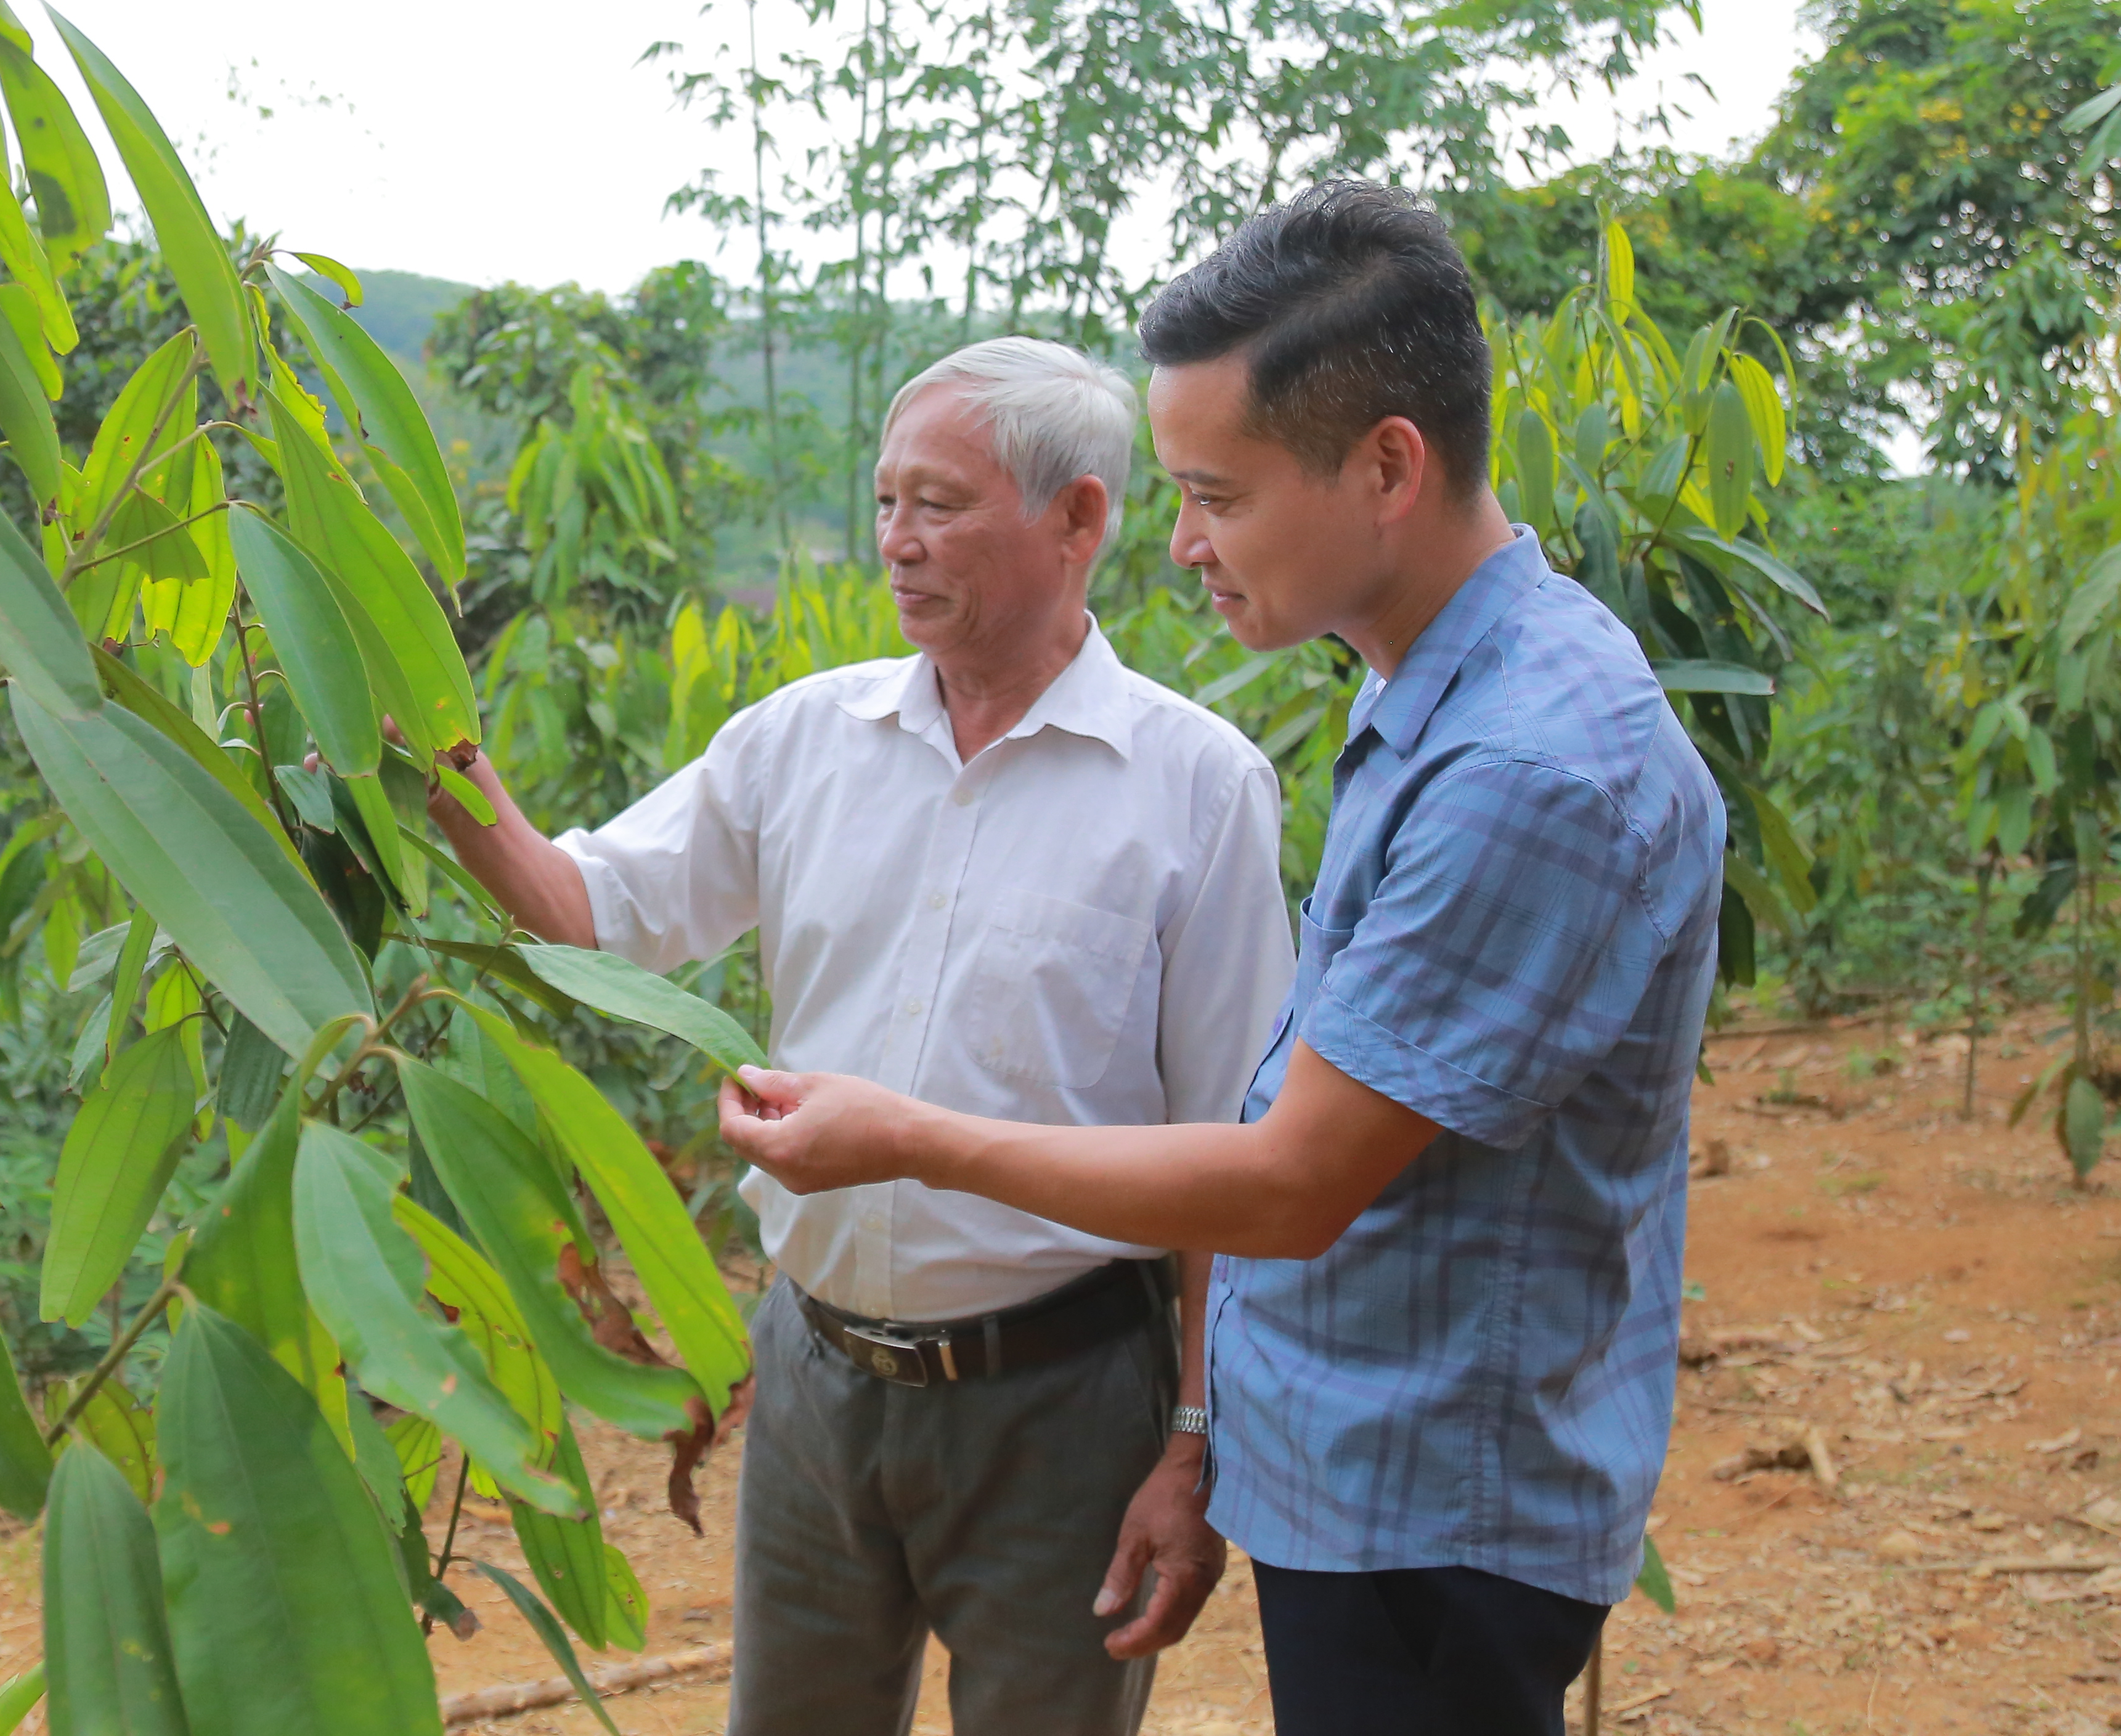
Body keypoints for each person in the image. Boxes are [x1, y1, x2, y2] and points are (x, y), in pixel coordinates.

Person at [714, 184, 1725, 1736]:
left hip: (1439, 1504)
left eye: (1219, 496)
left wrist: (905, 1140)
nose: (1180, 544)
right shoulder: (1437, 702)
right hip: (1371, 1468)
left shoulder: (1527, 767)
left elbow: (1288, 1180)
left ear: (1388, 466)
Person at [426, 336, 1293, 1736]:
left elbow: (1232, 1166)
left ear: (1079, 518)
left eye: (939, 505)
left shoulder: (1195, 791)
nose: (897, 542)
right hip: (818, 1383)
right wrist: (426, 762)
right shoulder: (800, 744)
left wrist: (1194, 1446)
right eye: (886, 500)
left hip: (1063, 1405)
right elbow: (589, 911)